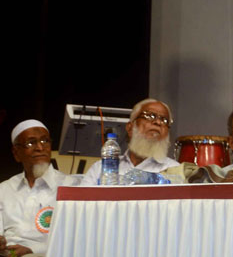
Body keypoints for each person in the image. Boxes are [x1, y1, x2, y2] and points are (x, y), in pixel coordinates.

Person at [1, 120, 81, 256]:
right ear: (16, 153)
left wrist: (33, 250)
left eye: (45, 141)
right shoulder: (4, 189)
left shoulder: (70, 187)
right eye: (31, 143)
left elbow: (77, 238)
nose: (40, 148)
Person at [81, 98, 180, 185]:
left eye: (164, 120)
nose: (158, 122)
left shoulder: (174, 171)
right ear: (130, 128)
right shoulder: (100, 168)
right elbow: (81, 203)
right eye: (150, 116)